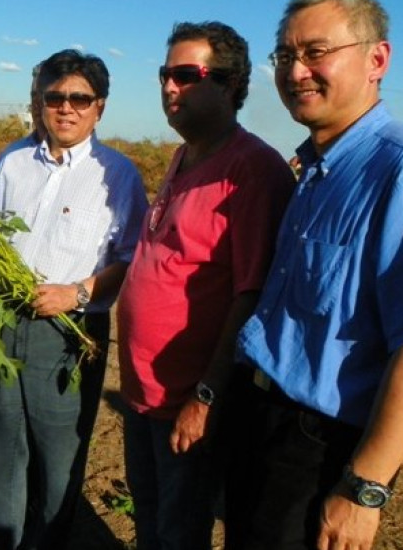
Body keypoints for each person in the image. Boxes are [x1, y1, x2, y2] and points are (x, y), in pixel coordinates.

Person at [232, 1, 403, 548]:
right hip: (262, 417)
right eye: (285, 56)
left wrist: (364, 488)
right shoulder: (314, 169)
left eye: (316, 52)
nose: (295, 71)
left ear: (377, 60)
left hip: (323, 446)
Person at [116, 22, 295, 550]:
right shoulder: (184, 154)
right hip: (142, 392)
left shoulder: (251, 170)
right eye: (164, 74)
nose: (169, 87)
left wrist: (206, 396)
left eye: (186, 75)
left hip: (188, 401)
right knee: (149, 516)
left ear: (230, 83)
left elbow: (251, 294)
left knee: (180, 531)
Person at [0, 49, 148, 549]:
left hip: (69, 334)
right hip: (4, 321)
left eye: (80, 98)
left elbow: (131, 257)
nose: (66, 107)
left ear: (99, 107)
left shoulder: (118, 175)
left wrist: (77, 293)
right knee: (2, 440)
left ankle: (47, 540)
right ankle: (5, 537)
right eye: (55, 97)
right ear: (41, 102)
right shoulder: (13, 161)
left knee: (59, 452)